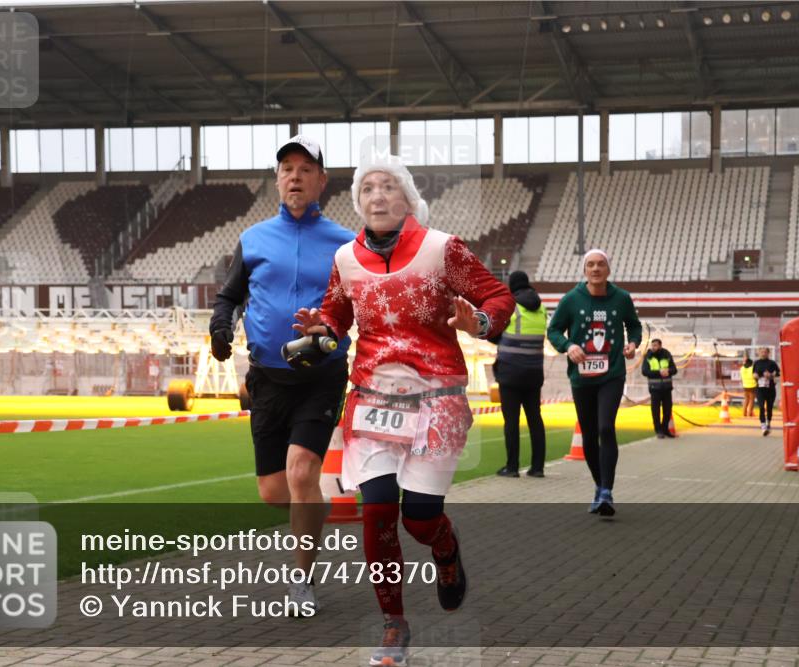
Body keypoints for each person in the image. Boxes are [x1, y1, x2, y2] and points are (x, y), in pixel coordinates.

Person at [293, 154, 514, 667]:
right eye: (367, 188)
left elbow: (498, 297)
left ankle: (445, 547)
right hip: (371, 399)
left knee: (418, 519)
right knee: (377, 513)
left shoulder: (442, 249)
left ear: (408, 197)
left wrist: (478, 321)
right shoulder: (346, 257)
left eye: (388, 186)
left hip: (436, 398)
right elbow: (336, 312)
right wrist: (321, 328)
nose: (376, 195)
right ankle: (393, 623)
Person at [209, 135, 355, 612]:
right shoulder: (252, 239)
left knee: (300, 472)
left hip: (322, 375)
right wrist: (220, 326)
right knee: (276, 491)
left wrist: (330, 332)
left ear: (322, 181)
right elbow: (230, 296)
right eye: (287, 168)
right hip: (267, 378)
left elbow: (361, 308)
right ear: (277, 180)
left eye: (306, 169)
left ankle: (301, 581)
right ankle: (314, 508)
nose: (295, 176)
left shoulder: (345, 245)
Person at [547, 249, 641, 517]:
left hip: (612, 374)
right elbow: (553, 330)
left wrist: (633, 343)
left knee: (605, 427)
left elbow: (634, 326)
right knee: (588, 434)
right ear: (584, 270)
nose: (596, 269)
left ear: (608, 269)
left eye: (601, 264)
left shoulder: (621, 299)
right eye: (590, 265)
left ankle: (607, 491)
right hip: (582, 377)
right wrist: (568, 345)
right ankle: (600, 487)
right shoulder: (571, 299)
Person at [491, 270, 548, 478]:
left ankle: (512, 467)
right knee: (535, 419)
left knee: (512, 422)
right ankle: (538, 467)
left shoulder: (510, 305)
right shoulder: (541, 308)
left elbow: (494, 333)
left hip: (510, 373)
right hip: (534, 373)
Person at [641, 338, 677, 439]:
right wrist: (659, 372)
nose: (653, 347)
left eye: (655, 345)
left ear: (660, 346)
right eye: (652, 345)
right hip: (654, 388)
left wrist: (669, 371)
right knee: (655, 411)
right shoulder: (648, 356)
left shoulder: (667, 354)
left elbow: (674, 369)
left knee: (667, 410)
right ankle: (658, 431)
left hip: (667, 388)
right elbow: (644, 371)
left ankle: (665, 429)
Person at [752, 347, 780, 436]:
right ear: (759, 353)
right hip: (760, 388)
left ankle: (768, 424)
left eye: (765, 352)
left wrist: (771, 375)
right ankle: (763, 427)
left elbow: (778, 374)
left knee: (769, 408)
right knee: (761, 407)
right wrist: (755, 376)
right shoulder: (756, 363)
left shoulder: (772, 363)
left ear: (768, 353)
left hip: (770, 389)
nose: (763, 353)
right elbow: (754, 374)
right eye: (761, 352)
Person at [740, 354, 756, 418]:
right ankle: (749, 413)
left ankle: (744, 413)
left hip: (745, 385)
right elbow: (755, 376)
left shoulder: (742, 368)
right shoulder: (752, 368)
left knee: (746, 399)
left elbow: (741, 377)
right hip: (752, 385)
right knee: (752, 400)